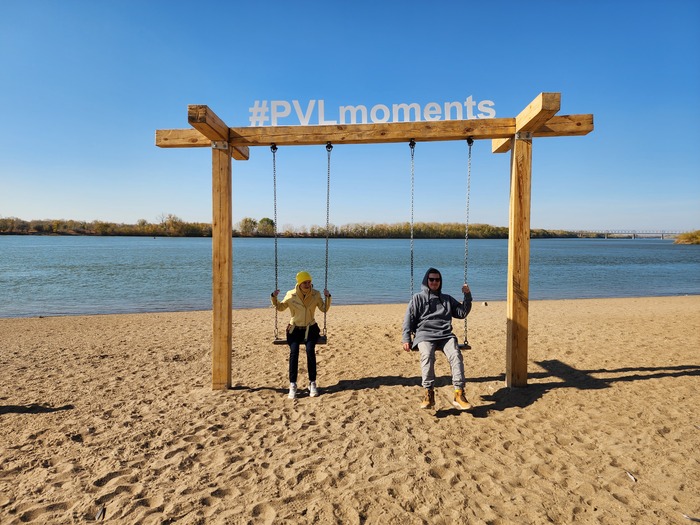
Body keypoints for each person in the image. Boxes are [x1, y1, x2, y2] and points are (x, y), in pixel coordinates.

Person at [402, 267, 473, 410]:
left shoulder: (446, 299)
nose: (434, 282)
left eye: (437, 279)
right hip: (424, 334)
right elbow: (408, 319)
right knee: (427, 355)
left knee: (456, 355)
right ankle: (429, 393)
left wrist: (467, 295)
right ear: (426, 281)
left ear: (440, 281)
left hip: (445, 334)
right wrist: (406, 338)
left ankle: (459, 393)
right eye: (431, 279)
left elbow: (462, 313)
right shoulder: (417, 298)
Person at [271, 271, 331, 400]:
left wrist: (328, 297)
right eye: (305, 282)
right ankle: (293, 384)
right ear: (299, 283)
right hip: (294, 329)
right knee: (294, 352)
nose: (308, 285)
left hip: (311, 328)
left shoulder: (316, 294)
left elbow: (324, 309)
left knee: (310, 351)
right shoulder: (291, 294)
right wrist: (274, 297)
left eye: (309, 282)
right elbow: (280, 307)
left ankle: (312, 383)